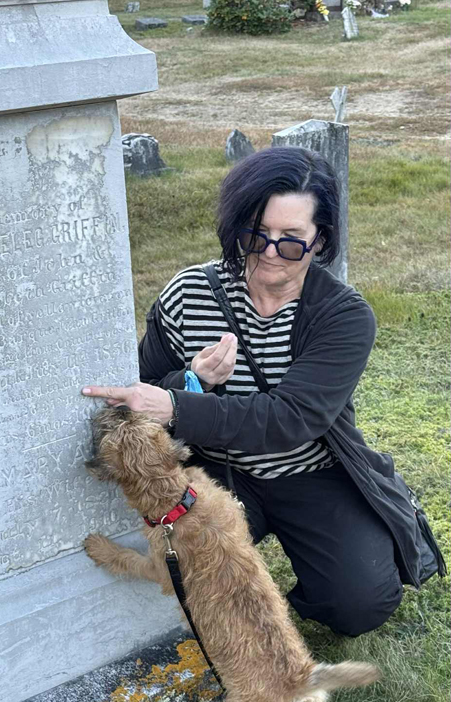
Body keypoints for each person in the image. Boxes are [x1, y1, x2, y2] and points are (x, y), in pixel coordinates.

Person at [83, 146, 433, 637]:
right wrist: (192, 381)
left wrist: (180, 405)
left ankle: (298, 583)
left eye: (291, 241)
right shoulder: (187, 294)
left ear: (320, 239)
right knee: (177, 581)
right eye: (256, 234)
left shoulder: (343, 315)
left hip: (308, 471)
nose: (269, 252)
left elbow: (290, 418)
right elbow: (139, 392)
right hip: (212, 471)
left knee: (357, 604)